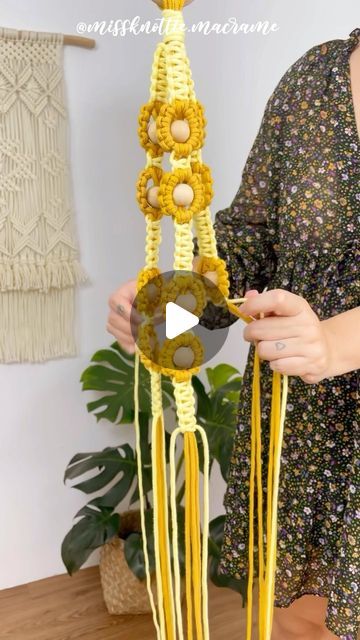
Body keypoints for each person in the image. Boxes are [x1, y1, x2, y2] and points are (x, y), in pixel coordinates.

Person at [107, 24, 360, 640]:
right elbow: (246, 242)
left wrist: (338, 340)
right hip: (298, 428)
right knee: (301, 618)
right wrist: (173, 308)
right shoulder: (314, 80)